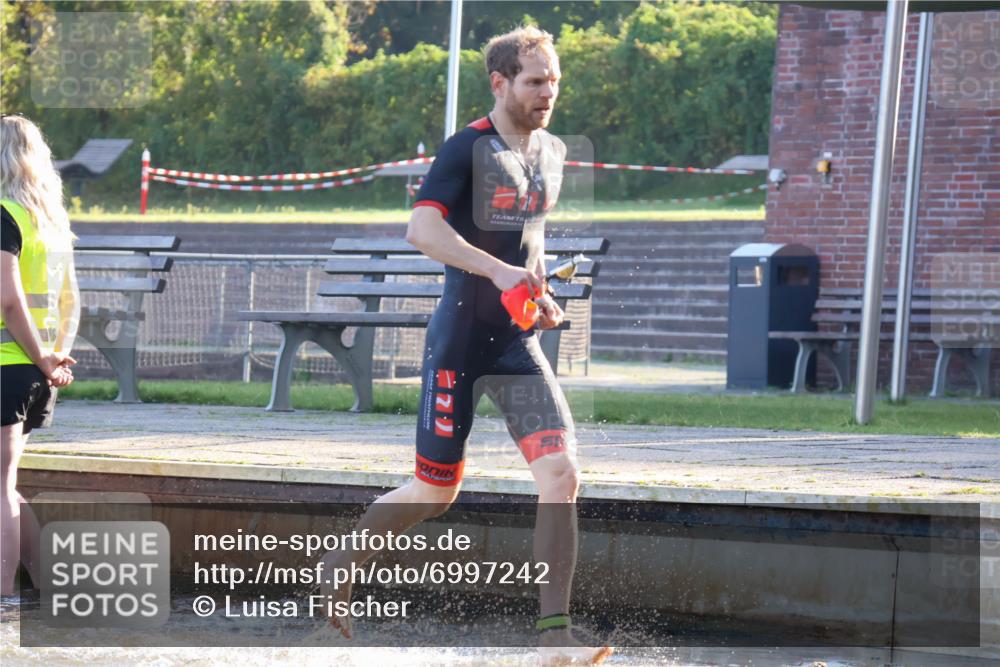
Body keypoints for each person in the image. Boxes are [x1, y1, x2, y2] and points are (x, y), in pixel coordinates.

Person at [320, 27, 611, 664]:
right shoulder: (465, 148)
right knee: (435, 493)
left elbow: (525, 242)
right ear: (500, 82)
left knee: (561, 475)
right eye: (535, 82)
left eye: (554, 83)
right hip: (458, 342)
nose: (547, 94)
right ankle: (341, 562)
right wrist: (498, 272)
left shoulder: (553, 152)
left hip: (514, 343)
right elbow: (421, 228)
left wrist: (534, 290)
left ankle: (553, 639)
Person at [1, 114, 80, 596]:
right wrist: (55, 359)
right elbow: (72, 300)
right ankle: (55, 584)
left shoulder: (3, 214)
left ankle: (3, 598)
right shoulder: (50, 220)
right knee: (5, 484)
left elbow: (7, 301)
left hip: (7, 364)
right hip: (35, 370)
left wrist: (43, 359)